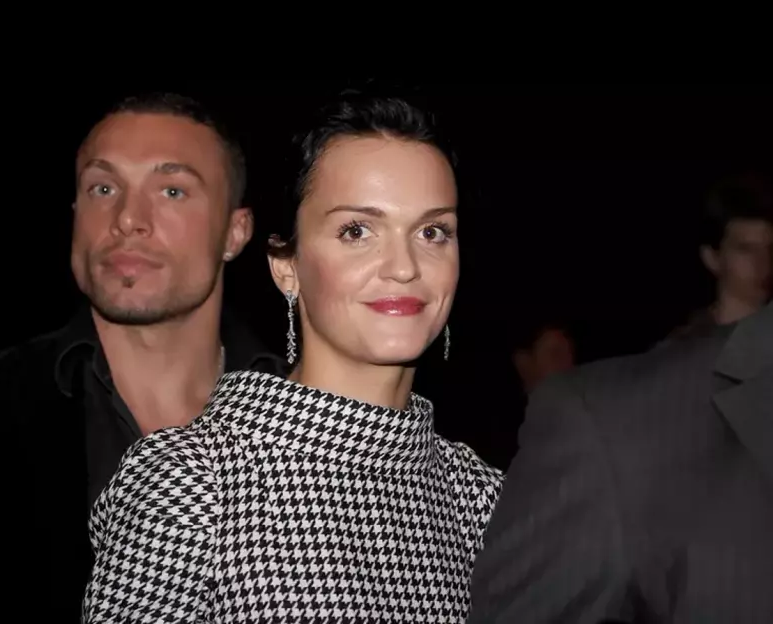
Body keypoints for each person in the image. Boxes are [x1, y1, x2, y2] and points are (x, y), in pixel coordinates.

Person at [82, 94, 504, 623]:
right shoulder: (191, 482)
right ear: (286, 265)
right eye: (357, 231)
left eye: (431, 232)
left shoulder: (482, 500)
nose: (404, 267)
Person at [0, 93, 282, 623]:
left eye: (172, 190)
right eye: (103, 188)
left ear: (235, 231)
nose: (127, 219)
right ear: (75, 215)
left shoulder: (306, 418)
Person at [468, 304, 773, 622]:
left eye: (567, 350)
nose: (565, 361)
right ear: (523, 363)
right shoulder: (563, 439)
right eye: (554, 352)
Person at [668, 172, 772, 340]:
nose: (764, 263)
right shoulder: (686, 347)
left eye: (770, 249)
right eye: (746, 249)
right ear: (712, 258)